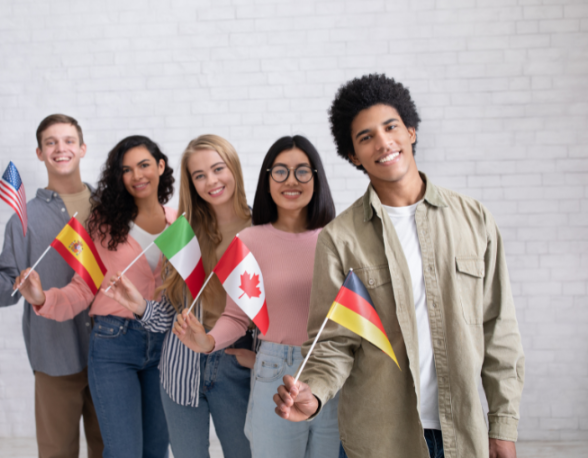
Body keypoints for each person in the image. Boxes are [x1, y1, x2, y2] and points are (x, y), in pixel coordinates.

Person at [273, 74, 525, 458]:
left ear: (410, 131)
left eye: (390, 127)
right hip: (380, 440)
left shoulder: (474, 220)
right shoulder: (340, 238)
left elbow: (499, 331)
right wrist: (314, 393)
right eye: (366, 136)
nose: (383, 142)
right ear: (354, 155)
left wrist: (503, 425)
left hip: (463, 432)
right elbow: (333, 342)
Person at [172, 135, 340, 458]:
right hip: (275, 371)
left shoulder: (338, 238)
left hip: (330, 370)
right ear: (267, 180)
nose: (291, 181)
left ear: (316, 179)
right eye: (280, 172)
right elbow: (237, 315)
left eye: (302, 171)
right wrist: (207, 341)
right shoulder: (249, 240)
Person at [14, 135, 175, 458]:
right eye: (126, 169)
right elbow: (83, 288)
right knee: (122, 451)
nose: (137, 175)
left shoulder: (181, 222)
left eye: (144, 165)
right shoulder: (104, 224)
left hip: (166, 347)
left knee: (156, 450)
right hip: (114, 343)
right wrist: (42, 297)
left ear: (160, 166)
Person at [0, 114, 104, 458]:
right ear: (39, 153)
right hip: (54, 353)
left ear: (82, 148)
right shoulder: (26, 218)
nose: (60, 148)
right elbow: (7, 286)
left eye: (68, 140)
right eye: (51, 142)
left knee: (112, 448)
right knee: (56, 451)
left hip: (111, 354)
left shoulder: (107, 210)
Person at [104, 134, 254, 458]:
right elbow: (171, 317)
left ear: (234, 169)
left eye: (218, 169)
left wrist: (256, 357)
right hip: (179, 369)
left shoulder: (261, 229)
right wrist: (139, 306)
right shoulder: (182, 233)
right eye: (199, 175)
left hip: (236, 368)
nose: (210, 181)